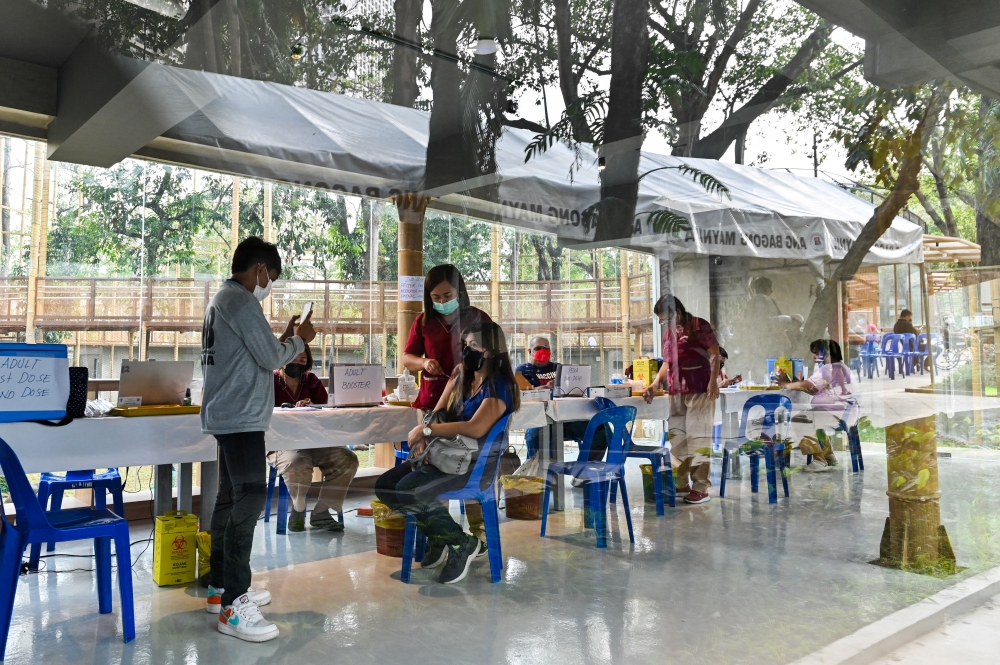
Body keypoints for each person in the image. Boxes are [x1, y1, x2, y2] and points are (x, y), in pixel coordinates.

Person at [201, 236, 315, 642]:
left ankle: (220, 587)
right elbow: (271, 358)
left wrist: (283, 338)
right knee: (249, 498)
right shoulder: (241, 300)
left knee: (230, 498)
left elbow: (259, 350)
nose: (270, 286)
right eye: (272, 278)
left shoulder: (223, 300)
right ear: (260, 270)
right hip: (240, 416)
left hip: (230, 412)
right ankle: (234, 604)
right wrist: (301, 340)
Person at [375, 321, 519, 584]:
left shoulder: (500, 387)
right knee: (385, 485)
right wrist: (425, 433)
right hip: (445, 457)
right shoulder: (461, 375)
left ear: (492, 351)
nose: (466, 351)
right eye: (465, 345)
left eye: (473, 346)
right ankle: (452, 538)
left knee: (409, 490)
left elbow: (475, 428)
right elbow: (438, 412)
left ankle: (457, 543)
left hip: (473, 466)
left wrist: (427, 432)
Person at [400, 264, 492, 545]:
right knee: (432, 468)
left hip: (468, 405)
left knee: (467, 466)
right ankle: (442, 535)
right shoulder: (424, 321)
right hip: (432, 404)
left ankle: (479, 532)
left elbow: (492, 351)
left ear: (459, 291)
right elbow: (407, 357)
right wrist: (423, 362)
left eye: (447, 295)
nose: (441, 302)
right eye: (435, 298)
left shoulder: (477, 318)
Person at [268, 343, 359, 532]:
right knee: (297, 461)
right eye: (293, 358)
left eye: (303, 360)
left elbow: (328, 411)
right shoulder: (269, 381)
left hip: (316, 439)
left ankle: (322, 511)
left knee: (348, 459)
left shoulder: (311, 380)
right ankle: (298, 507)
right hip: (281, 442)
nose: (298, 363)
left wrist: (313, 406)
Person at [643, 296, 722, 504]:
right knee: (678, 439)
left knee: (698, 437)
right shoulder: (670, 334)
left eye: (667, 319)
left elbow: (715, 354)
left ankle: (701, 487)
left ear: (677, 311)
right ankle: (681, 481)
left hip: (699, 389)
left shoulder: (698, 326)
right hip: (676, 392)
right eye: (662, 322)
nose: (665, 324)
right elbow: (667, 364)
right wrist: (655, 383)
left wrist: (713, 381)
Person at [514, 335, 606, 462]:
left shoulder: (559, 368)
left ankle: (583, 473)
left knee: (601, 432)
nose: (543, 351)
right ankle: (536, 477)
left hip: (568, 419)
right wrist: (545, 388)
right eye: (538, 348)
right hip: (539, 421)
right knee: (534, 436)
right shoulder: (522, 371)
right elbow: (522, 395)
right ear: (529, 351)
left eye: (546, 348)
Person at [775, 339, 854, 472]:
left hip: (836, 413)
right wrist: (798, 383)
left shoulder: (828, 368)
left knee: (799, 420)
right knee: (813, 418)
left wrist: (786, 385)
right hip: (842, 412)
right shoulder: (839, 367)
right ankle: (828, 456)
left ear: (827, 354)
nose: (814, 357)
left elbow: (809, 385)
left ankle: (819, 459)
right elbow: (814, 389)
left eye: (817, 353)